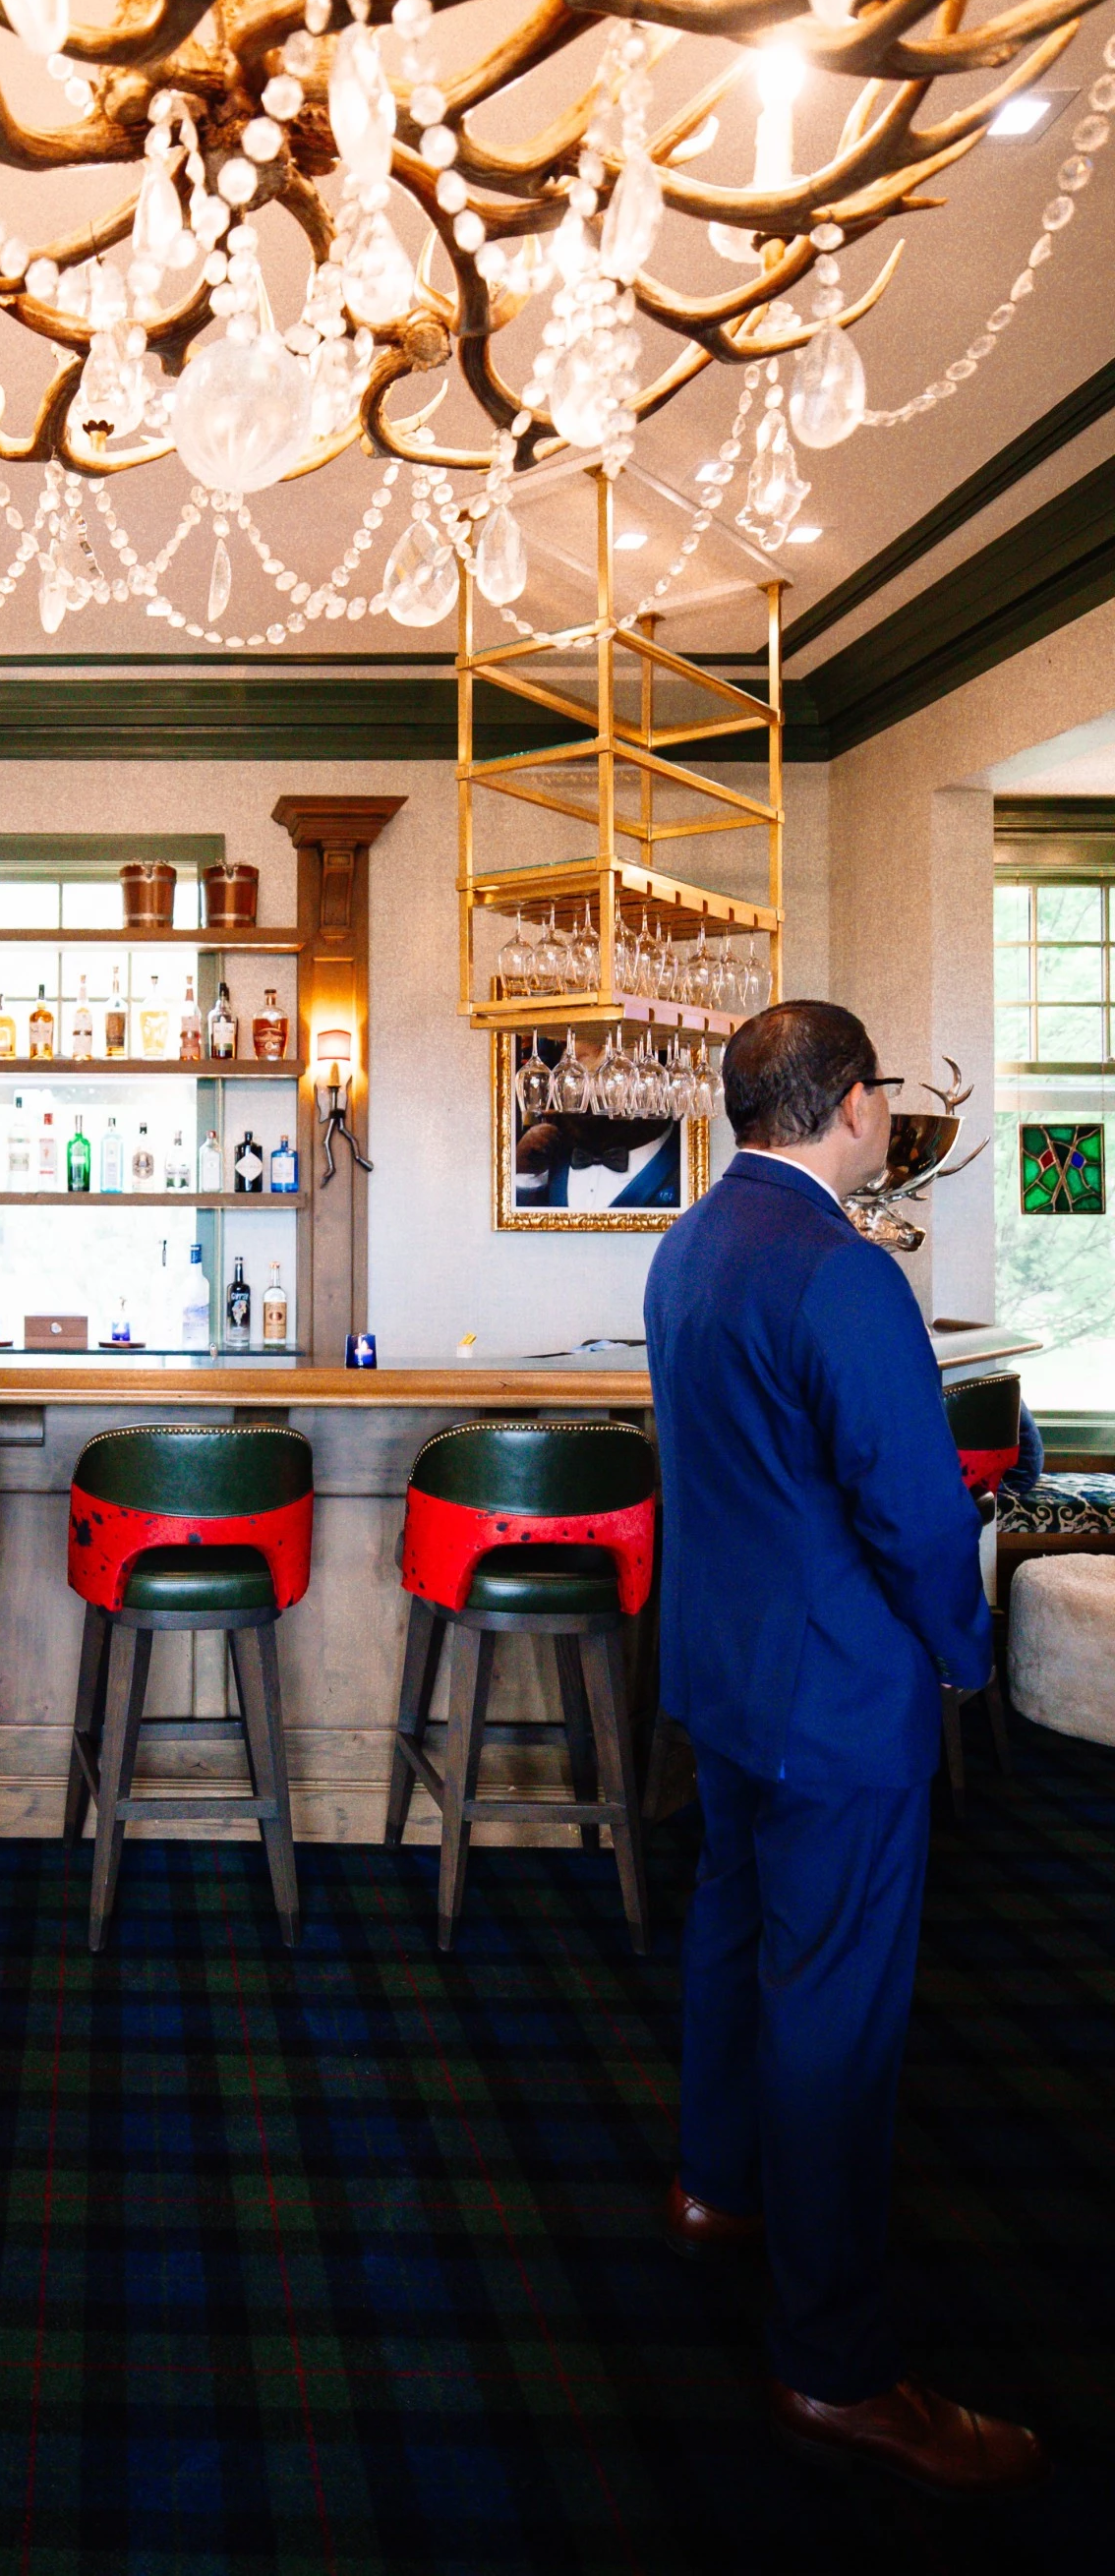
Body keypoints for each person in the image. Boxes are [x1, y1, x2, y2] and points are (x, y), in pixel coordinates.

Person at [644, 1000, 1043, 2495]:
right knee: (837, 2009)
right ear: (854, 1106)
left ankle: (717, 2188)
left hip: (723, 1680)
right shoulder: (845, 1275)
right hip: (834, 1697)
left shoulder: (685, 1246)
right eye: (880, 1091)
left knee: (730, 1929)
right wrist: (964, 1653)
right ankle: (833, 2362)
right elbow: (921, 1514)